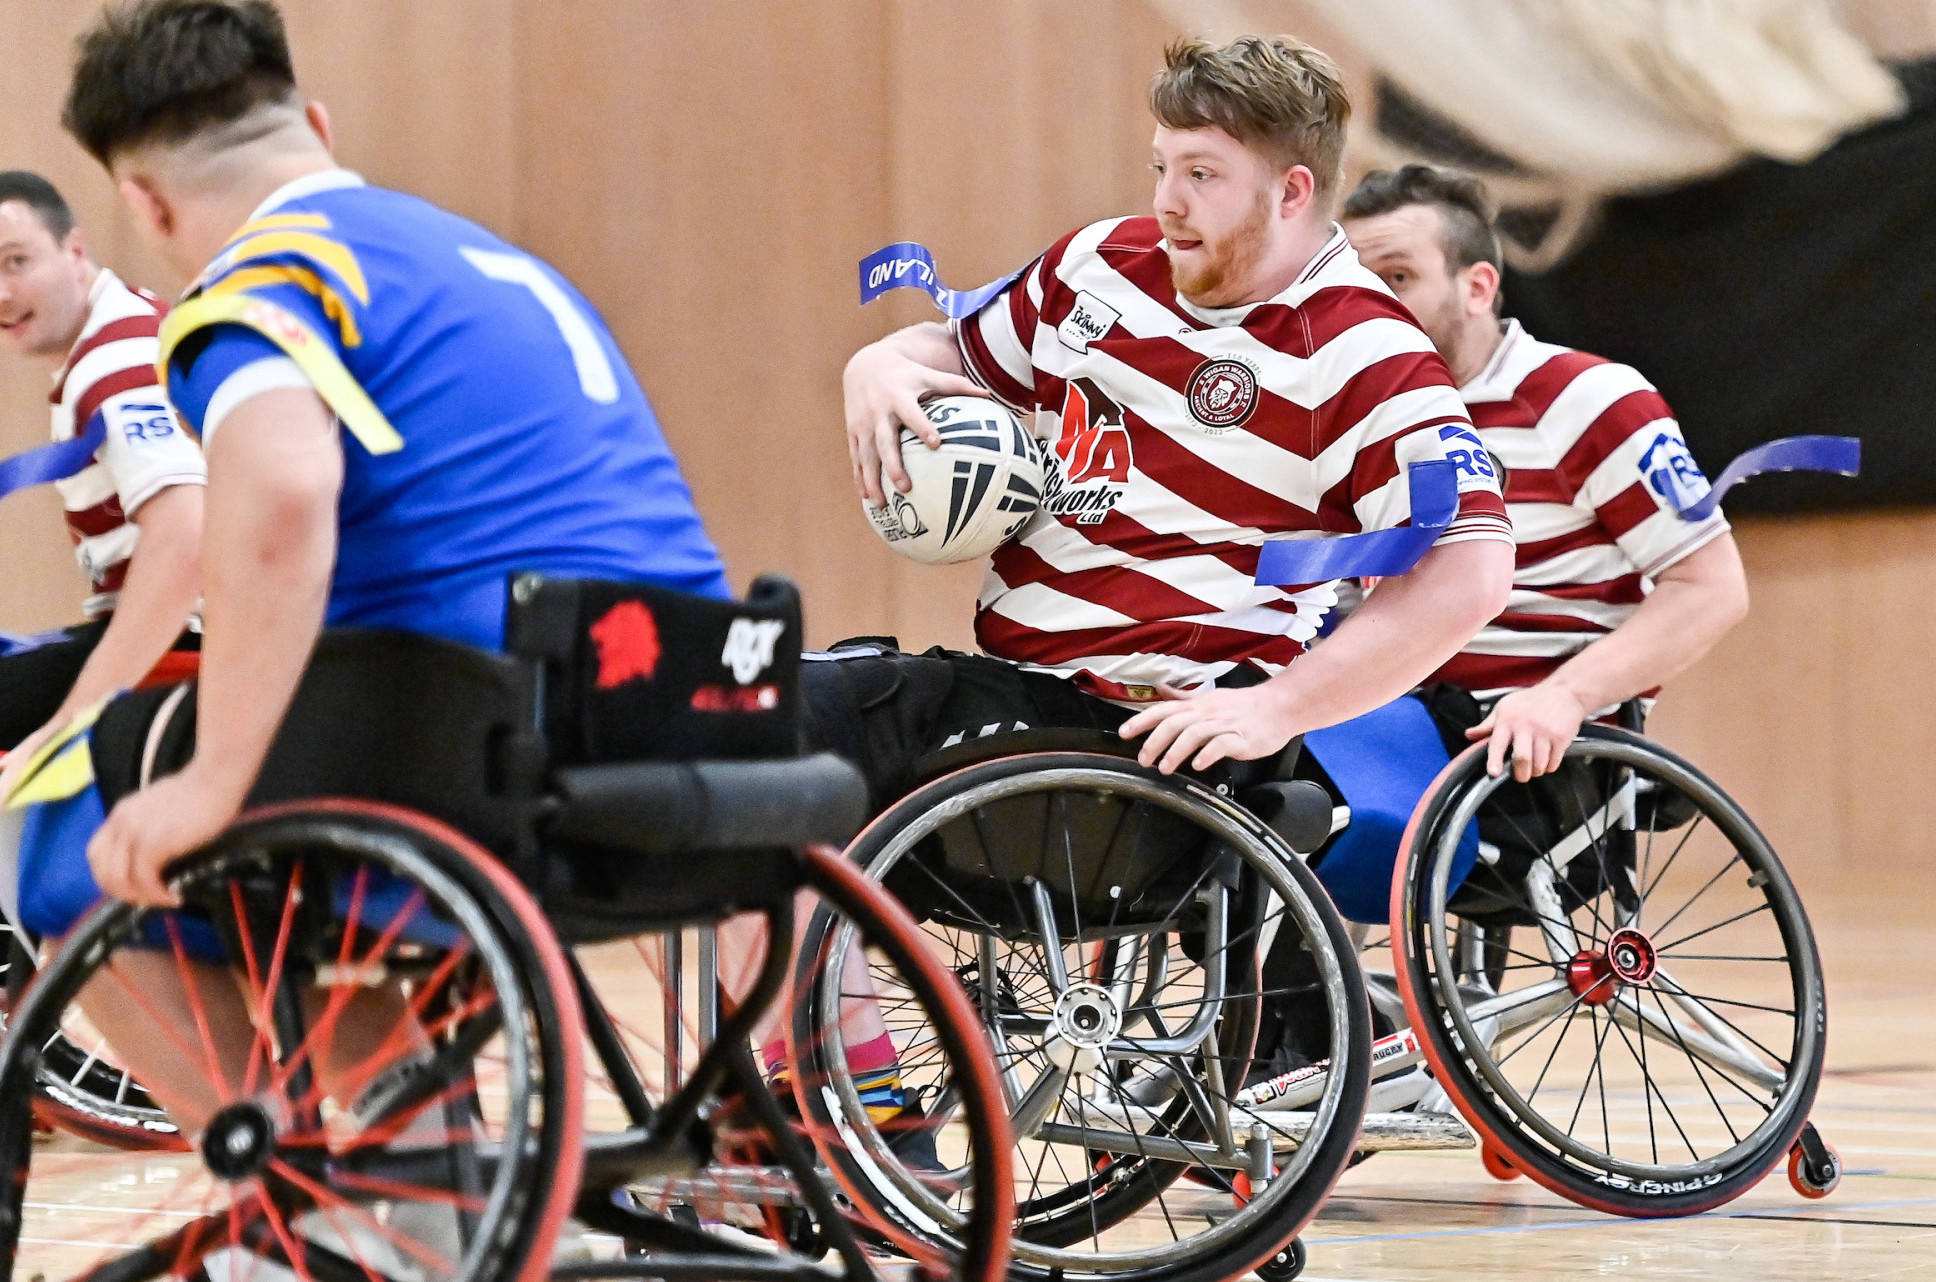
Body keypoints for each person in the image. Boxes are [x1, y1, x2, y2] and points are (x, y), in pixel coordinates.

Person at [2, 0, 730, 1146]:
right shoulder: (484, 254)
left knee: (63, 820)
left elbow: (281, 501)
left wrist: (209, 779)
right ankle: (410, 1188)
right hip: (698, 693)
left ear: (140, 203)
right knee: (265, 840)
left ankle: (290, 1187)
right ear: (319, 126)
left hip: (495, 717)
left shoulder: (259, 282)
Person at [825, 36, 1514, 799]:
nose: (1166, 200)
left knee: (799, 727)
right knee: (758, 714)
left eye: (1202, 175)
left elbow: (1472, 571)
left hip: (1147, 733)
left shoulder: (1365, 348)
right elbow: (955, 350)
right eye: (1162, 167)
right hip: (1015, 688)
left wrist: (1279, 708)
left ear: (1290, 193)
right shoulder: (1098, 261)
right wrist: (880, 363)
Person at [1340, 164, 1749, 780]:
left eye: (1397, 279)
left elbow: (1711, 588)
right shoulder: (1347, 421)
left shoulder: (1588, 398)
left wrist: (1568, 695)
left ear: (1478, 288)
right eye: (1353, 286)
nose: (1372, 310)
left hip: (1520, 750)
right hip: (1384, 729)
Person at [0, 170, 203, 800]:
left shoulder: (115, 365)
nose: (2, 293)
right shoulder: (122, 328)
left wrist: (69, 721)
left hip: (187, 646)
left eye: (17, 261)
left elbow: (186, 539)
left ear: (76, 250)